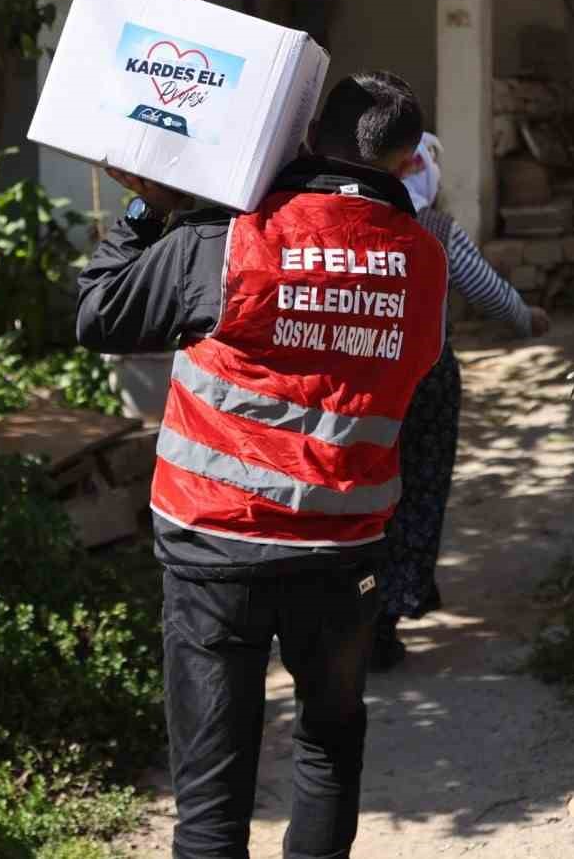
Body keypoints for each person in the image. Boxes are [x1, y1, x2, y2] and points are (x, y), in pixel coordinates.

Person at [76, 71, 451, 859]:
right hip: (343, 549)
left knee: (212, 792)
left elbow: (98, 313)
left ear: (309, 137)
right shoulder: (423, 259)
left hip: (215, 546)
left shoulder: (230, 239)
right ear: (406, 159)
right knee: (329, 742)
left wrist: (151, 200)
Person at [372, 123, 551, 669]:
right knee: (414, 494)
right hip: (423, 385)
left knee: (357, 497)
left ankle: (340, 617)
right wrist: (527, 318)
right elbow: (488, 290)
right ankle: (385, 617)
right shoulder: (436, 229)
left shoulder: (345, 222)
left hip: (352, 378)